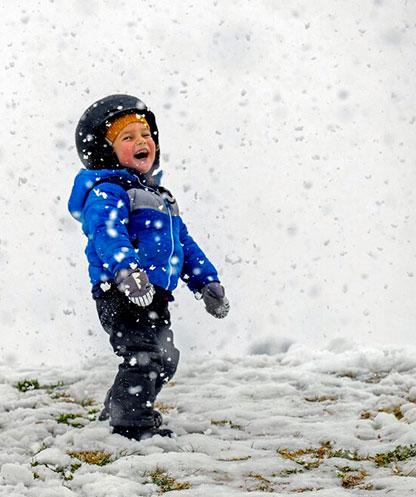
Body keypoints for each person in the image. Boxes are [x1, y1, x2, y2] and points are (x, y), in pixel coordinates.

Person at [68, 94, 229, 441]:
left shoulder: (162, 198)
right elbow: (106, 234)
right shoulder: (108, 192)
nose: (142, 142)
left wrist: (206, 283)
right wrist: (127, 272)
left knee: (164, 358)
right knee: (143, 354)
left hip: (155, 295)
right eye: (128, 138)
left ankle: (118, 407)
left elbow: (184, 246)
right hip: (121, 290)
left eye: (146, 135)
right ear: (105, 151)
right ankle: (131, 425)